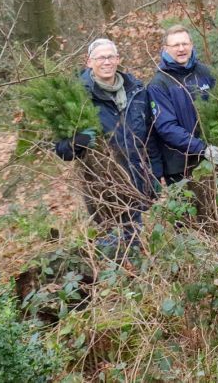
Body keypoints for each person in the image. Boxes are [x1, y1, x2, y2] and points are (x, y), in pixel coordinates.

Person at [54, 38, 162, 253]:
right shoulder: (77, 96)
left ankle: (134, 277)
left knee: (135, 238)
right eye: (101, 57)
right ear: (89, 62)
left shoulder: (137, 91)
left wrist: (155, 172)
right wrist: (77, 142)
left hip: (136, 177)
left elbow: (150, 136)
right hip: (102, 186)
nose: (106, 62)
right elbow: (61, 150)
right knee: (113, 244)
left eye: (111, 57)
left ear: (118, 60)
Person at [150, 25, 218, 184]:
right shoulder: (159, 83)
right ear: (166, 49)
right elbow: (166, 127)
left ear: (191, 45)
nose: (181, 49)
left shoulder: (206, 73)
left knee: (217, 208)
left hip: (213, 160)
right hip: (180, 167)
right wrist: (201, 148)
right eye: (175, 45)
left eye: (185, 44)